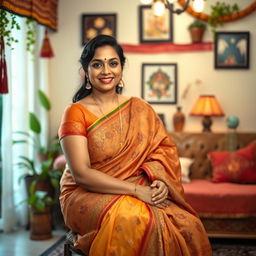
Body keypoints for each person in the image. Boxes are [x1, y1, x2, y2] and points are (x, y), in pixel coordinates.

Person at [58, 34, 212, 256]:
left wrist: (159, 182)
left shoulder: (140, 109)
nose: (106, 71)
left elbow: (161, 153)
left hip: (137, 188)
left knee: (187, 224)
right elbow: (81, 174)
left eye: (113, 63)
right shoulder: (75, 112)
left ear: (121, 67)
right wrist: (137, 190)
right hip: (84, 194)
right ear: (87, 71)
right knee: (135, 219)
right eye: (97, 64)